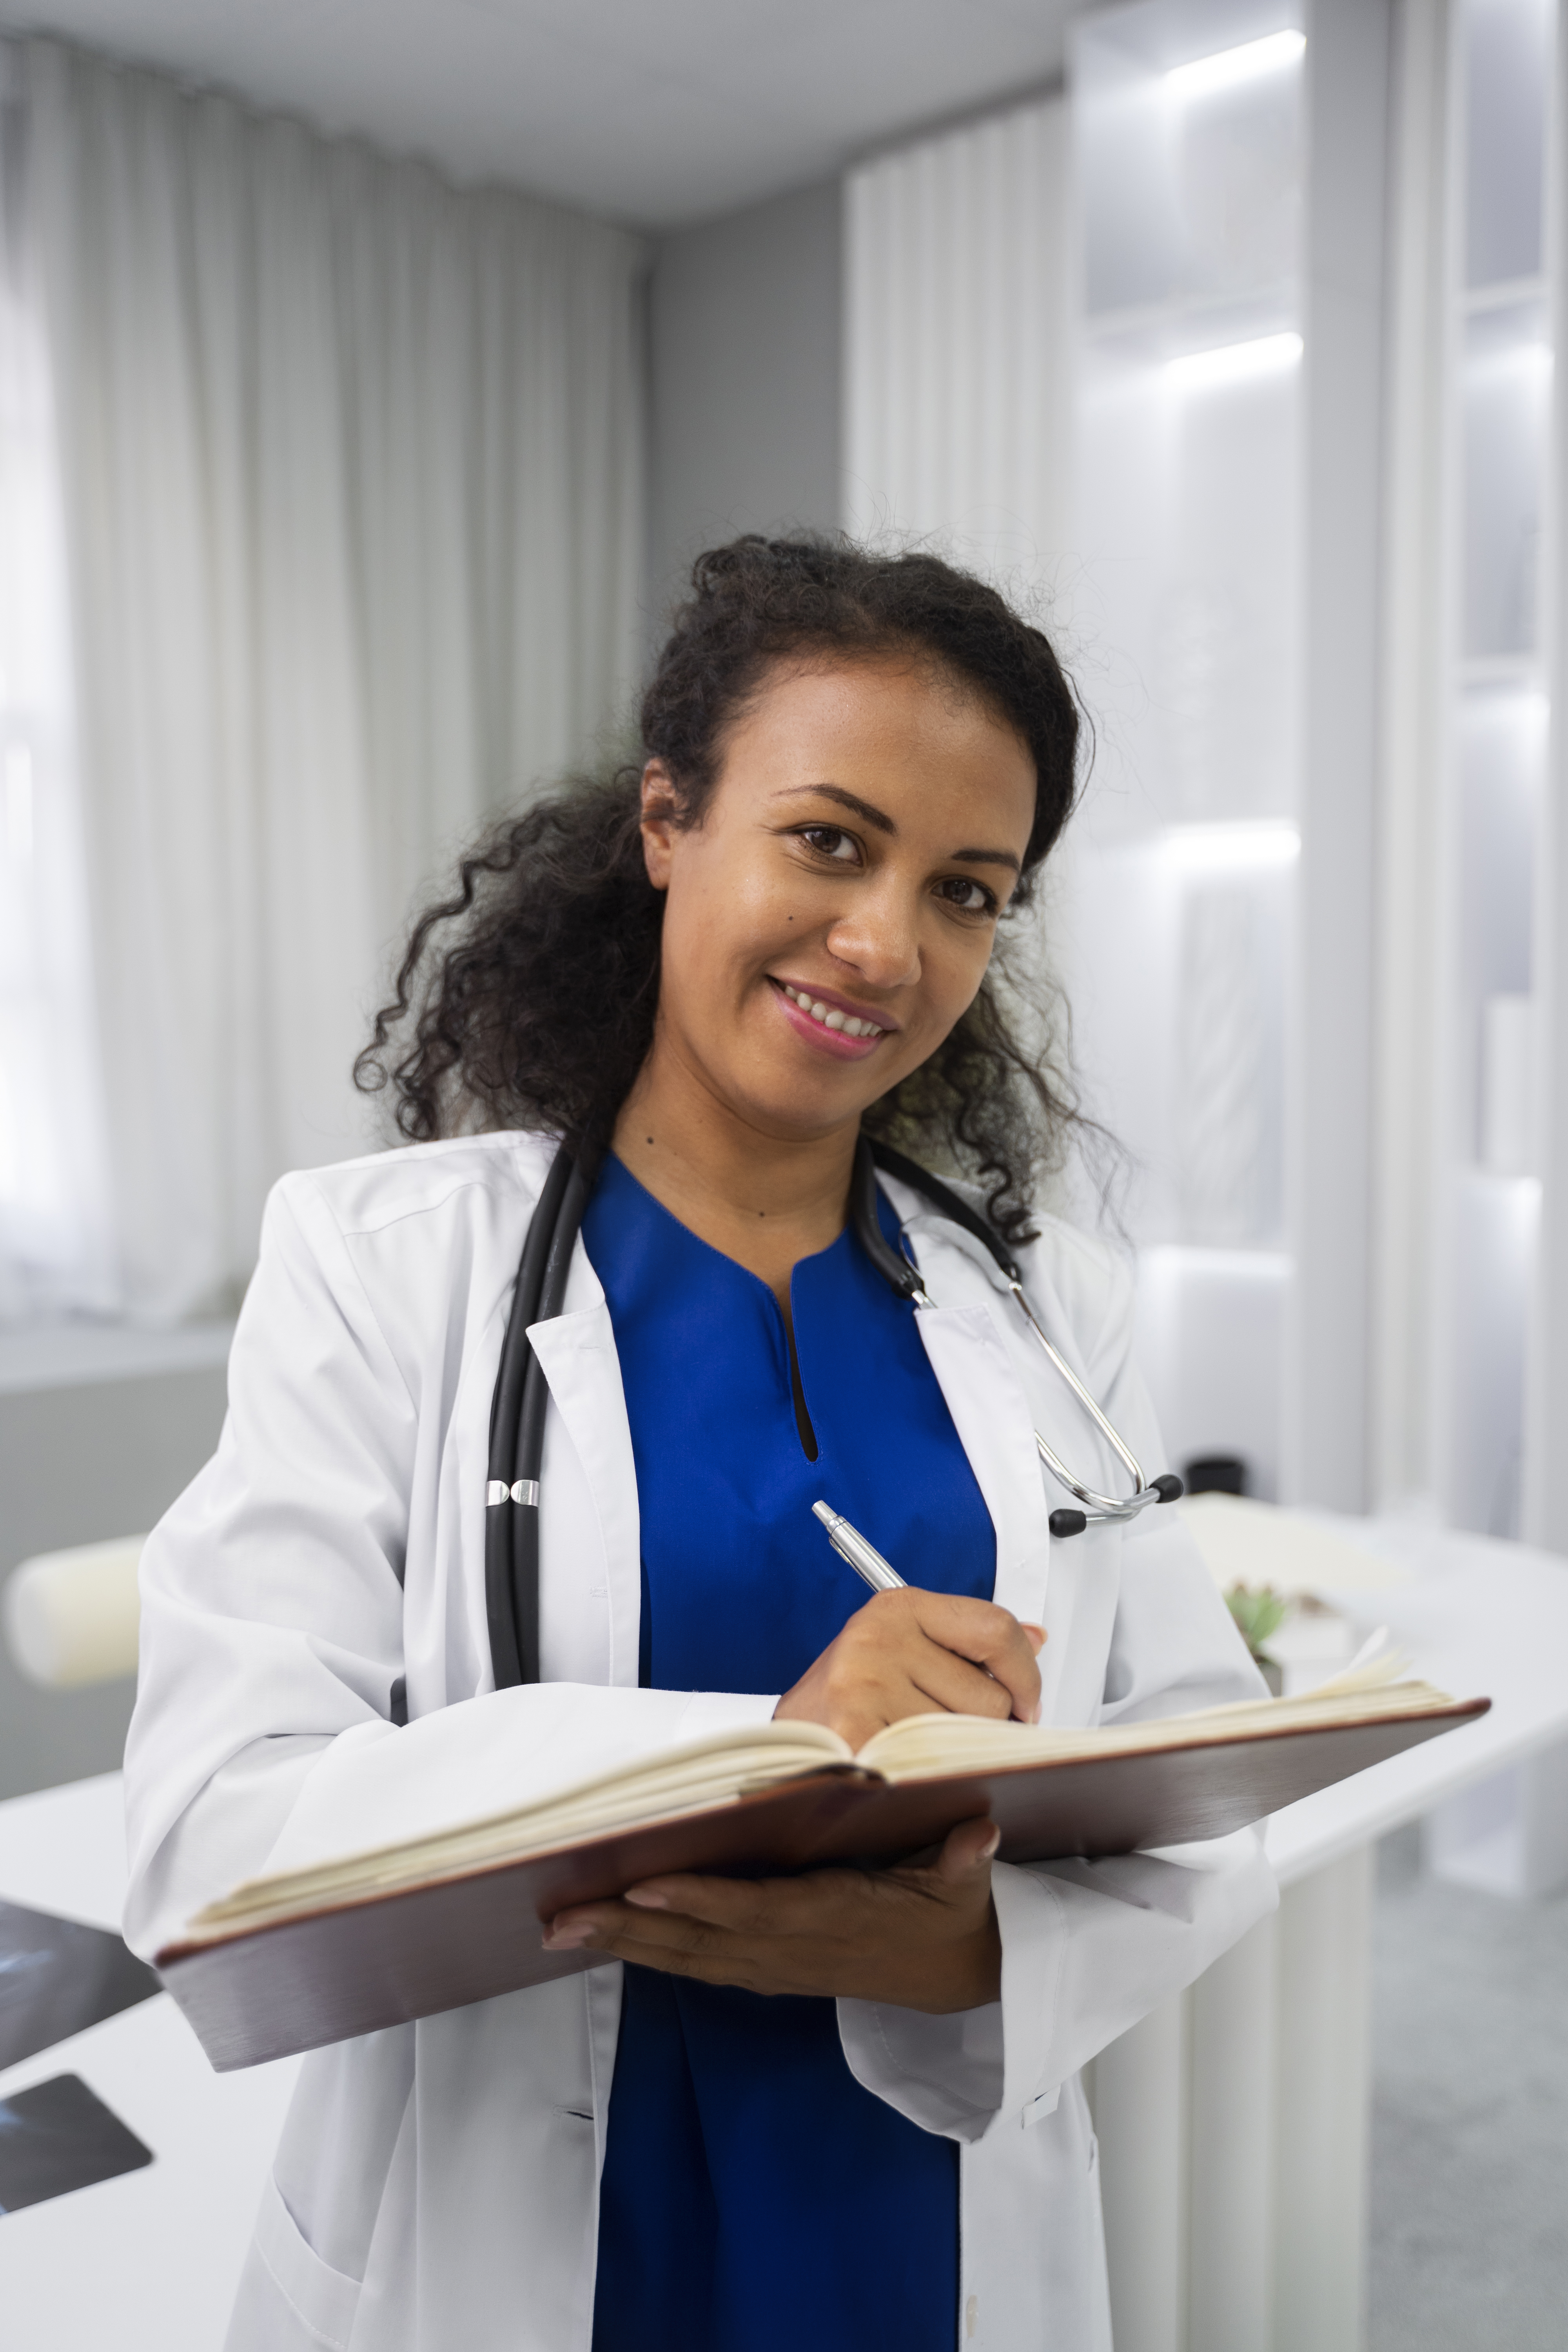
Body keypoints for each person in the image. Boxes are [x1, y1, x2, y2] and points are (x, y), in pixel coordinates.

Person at [123, 536, 1276, 2352]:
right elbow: (215, 1846)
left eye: (968, 890)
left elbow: (1185, 1796)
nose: (888, 945)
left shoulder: (1046, 1311)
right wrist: (770, 1755)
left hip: (912, 2216)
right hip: (524, 2249)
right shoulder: (383, 1267)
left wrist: (972, 1960)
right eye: (829, 841)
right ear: (667, 820)